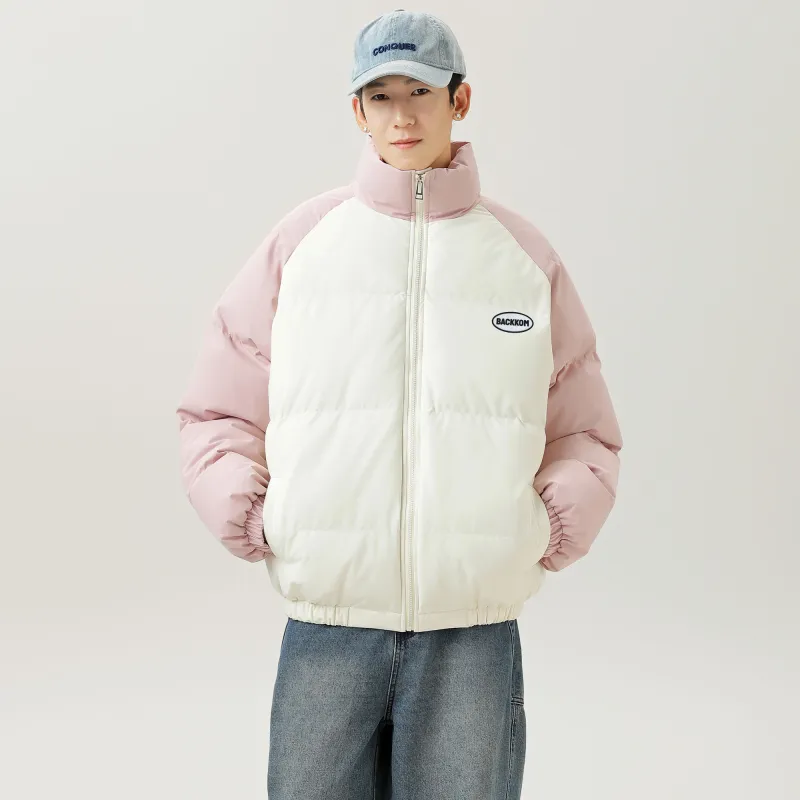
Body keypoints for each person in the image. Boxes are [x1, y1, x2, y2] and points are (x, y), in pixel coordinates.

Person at [176, 9, 622, 799]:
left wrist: (542, 530)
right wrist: (259, 514)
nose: (402, 115)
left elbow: (583, 428)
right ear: (357, 110)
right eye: (381, 96)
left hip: (471, 627)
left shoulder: (521, 258)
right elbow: (218, 408)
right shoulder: (303, 244)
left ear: (460, 99)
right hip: (331, 617)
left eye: (420, 91)